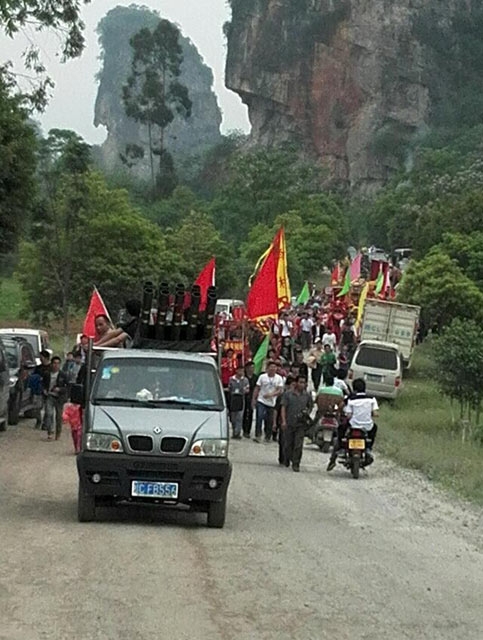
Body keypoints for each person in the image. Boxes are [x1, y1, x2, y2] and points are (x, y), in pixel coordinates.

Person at [327, 377, 379, 471]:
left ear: (354, 389)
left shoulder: (350, 399)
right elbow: (375, 413)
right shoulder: (372, 399)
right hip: (367, 426)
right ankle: (369, 448)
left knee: (341, 430)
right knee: (374, 428)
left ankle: (341, 447)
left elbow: (348, 414)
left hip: (353, 425)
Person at [280, 375, 313, 472]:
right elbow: (283, 407)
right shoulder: (288, 394)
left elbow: (310, 406)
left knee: (298, 444)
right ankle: (287, 458)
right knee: (288, 444)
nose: (302, 384)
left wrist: (307, 412)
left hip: (301, 424)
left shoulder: (307, 395)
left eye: (304, 383)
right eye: (300, 382)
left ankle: (296, 463)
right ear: (296, 383)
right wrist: (283, 421)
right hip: (289, 422)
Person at [252, 361, 284, 443]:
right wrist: (254, 399)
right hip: (261, 400)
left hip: (272, 402)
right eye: (271, 367)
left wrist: (272, 394)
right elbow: (257, 388)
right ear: (267, 368)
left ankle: (268, 436)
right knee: (259, 417)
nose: (272, 369)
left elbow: (280, 390)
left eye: (274, 367)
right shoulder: (262, 377)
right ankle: (258, 435)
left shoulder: (279, 378)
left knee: (269, 420)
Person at [43, 356, 68, 441]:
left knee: (58, 416)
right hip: (49, 396)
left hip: (59, 398)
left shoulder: (63, 375)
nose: (56, 365)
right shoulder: (47, 374)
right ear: (51, 364)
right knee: (49, 413)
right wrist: (44, 390)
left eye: (57, 363)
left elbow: (68, 387)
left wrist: (60, 389)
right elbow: (43, 384)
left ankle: (58, 432)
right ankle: (50, 431)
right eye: (54, 363)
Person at [228, 364, 250, 439]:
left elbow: (247, 389)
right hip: (233, 398)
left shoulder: (245, 380)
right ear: (236, 371)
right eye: (240, 370)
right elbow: (229, 388)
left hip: (241, 398)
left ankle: (237, 433)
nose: (241, 372)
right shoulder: (231, 379)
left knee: (240, 416)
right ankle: (234, 429)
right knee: (233, 416)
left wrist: (245, 390)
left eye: (242, 371)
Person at [243, 361, 257, 438]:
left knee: (250, 413)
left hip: (252, 397)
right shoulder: (244, 377)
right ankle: (243, 428)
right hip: (244, 397)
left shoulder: (255, 377)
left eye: (253, 368)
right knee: (244, 413)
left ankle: (248, 430)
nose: (252, 369)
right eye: (251, 367)